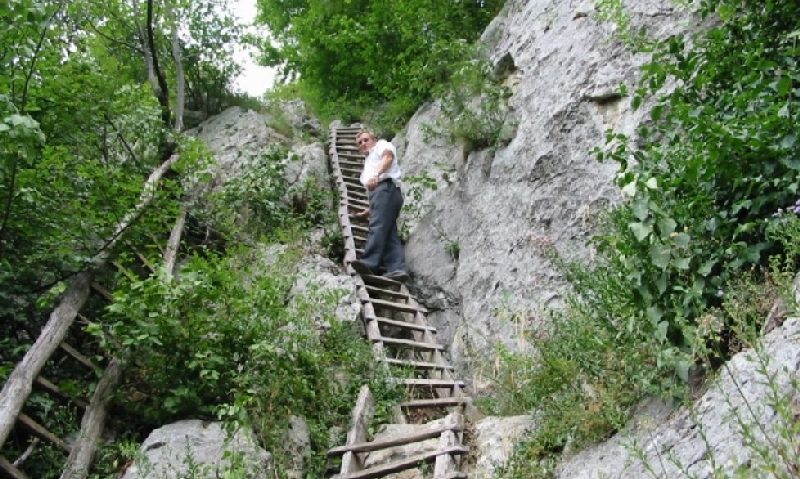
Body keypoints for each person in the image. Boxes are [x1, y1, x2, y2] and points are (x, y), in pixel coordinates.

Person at [349, 129, 410, 282]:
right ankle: (397, 269)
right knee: (389, 233)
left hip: (386, 188)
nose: (363, 144)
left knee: (377, 226)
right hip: (382, 194)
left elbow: (388, 158)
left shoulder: (381, 146)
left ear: (374, 139)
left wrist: (376, 175)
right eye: (359, 143)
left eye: (365, 140)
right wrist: (368, 211)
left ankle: (369, 263)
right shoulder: (368, 163)